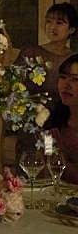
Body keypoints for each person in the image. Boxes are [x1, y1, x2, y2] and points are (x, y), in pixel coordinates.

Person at [18, 3, 78, 101]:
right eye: (49, 21)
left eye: (59, 23)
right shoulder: (30, 53)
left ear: (71, 29)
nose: (52, 27)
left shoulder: (74, 59)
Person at [43, 53, 78, 184]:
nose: (66, 85)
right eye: (63, 77)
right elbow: (47, 167)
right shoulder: (52, 125)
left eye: (75, 79)